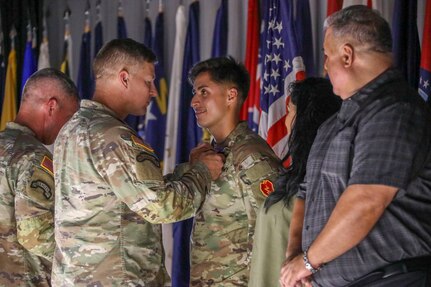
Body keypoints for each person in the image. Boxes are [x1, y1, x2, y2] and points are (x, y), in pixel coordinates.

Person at [52, 38, 224, 286]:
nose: (154, 90)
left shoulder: (71, 129)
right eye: (148, 81)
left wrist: (187, 171)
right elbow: (161, 206)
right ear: (124, 78)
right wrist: (203, 172)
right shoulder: (114, 136)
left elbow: (125, 197)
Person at [280, 5, 431, 287]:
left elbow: (366, 201)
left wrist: (308, 261)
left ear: (347, 55)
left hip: (393, 280)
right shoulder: (331, 125)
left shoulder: (396, 111)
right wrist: (295, 257)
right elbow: (305, 192)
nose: (324, 65)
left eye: (327, 55)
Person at [186, 56, 282, 286]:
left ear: (231, 95)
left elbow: (276, 232)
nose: (194, 101)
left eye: (204, 92)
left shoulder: (249, 155)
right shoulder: (210, 154)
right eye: (195, 92)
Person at [249, 77, 341, 287]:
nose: (284, 120)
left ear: (307, 118)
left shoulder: (326, 176)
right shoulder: (294, 176)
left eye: (290, 111)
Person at [0, 68, 79, 286]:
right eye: (70, 117)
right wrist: (85, 255)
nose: (68, 127)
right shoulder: (33, 158)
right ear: (52, 106)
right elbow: (35, 235)